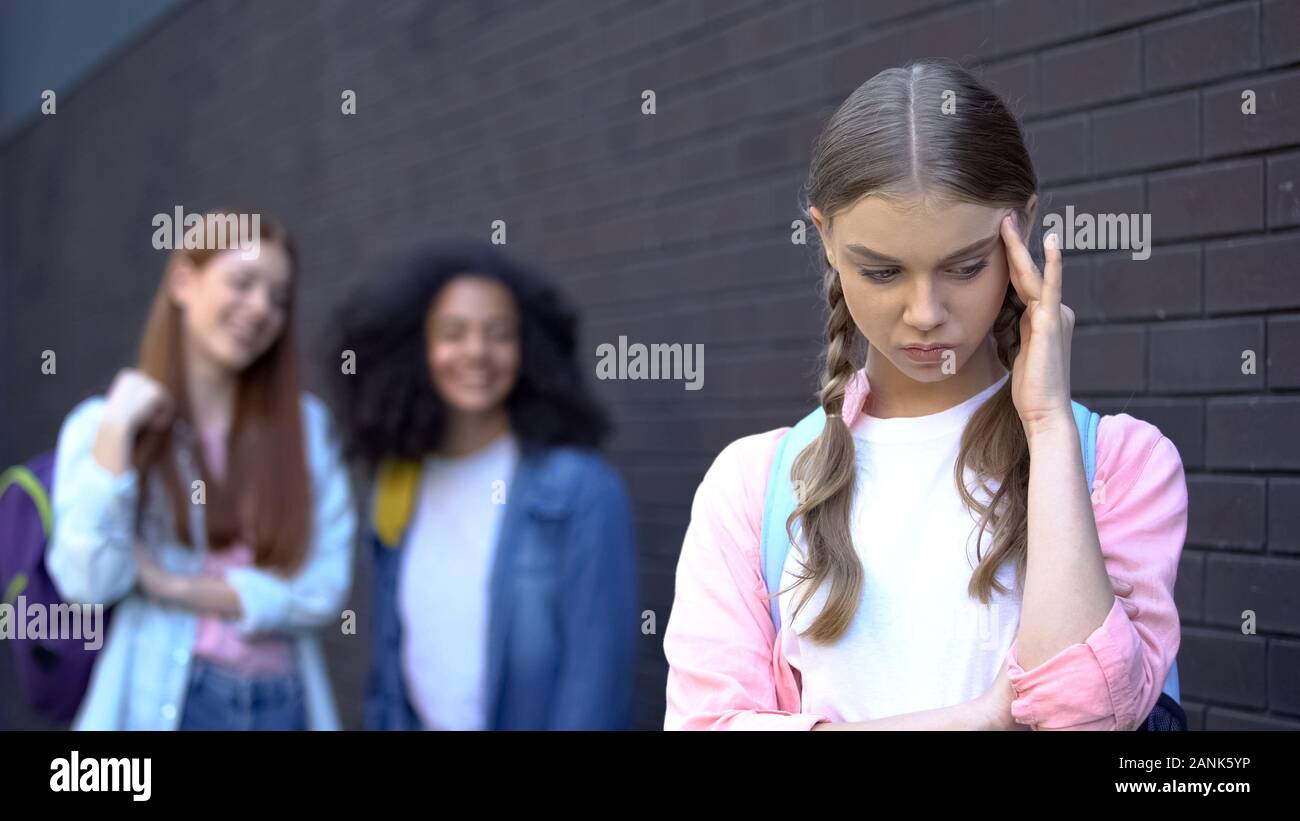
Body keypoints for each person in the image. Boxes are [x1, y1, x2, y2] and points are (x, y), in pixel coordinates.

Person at [663, 59, 1188, 731]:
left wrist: (1047, 423)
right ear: (825, 238)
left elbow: (1088, 718)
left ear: (1019, 229)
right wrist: (985, 717)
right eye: (881, 271)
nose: (924, 312)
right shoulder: (751, 486)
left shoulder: (1117, 465)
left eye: (965, 266)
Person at [46, 210, 356, 730]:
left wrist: (174, 587)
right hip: (173, 701)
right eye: (243, 284)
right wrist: (117, 434)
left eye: (278, 299)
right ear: (184, 281)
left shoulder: (306, 428)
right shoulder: (104, 425)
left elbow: (323, 589)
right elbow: (87, 581)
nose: (260, 309)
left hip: (284, 703)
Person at [332, 238, 638, 730]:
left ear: (526, 350)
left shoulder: (580, 491)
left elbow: (595, 685)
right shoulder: (396, 486)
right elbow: (389, 666)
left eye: (499, 334)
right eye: (453, 333)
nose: (477, 351)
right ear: (419, 349)